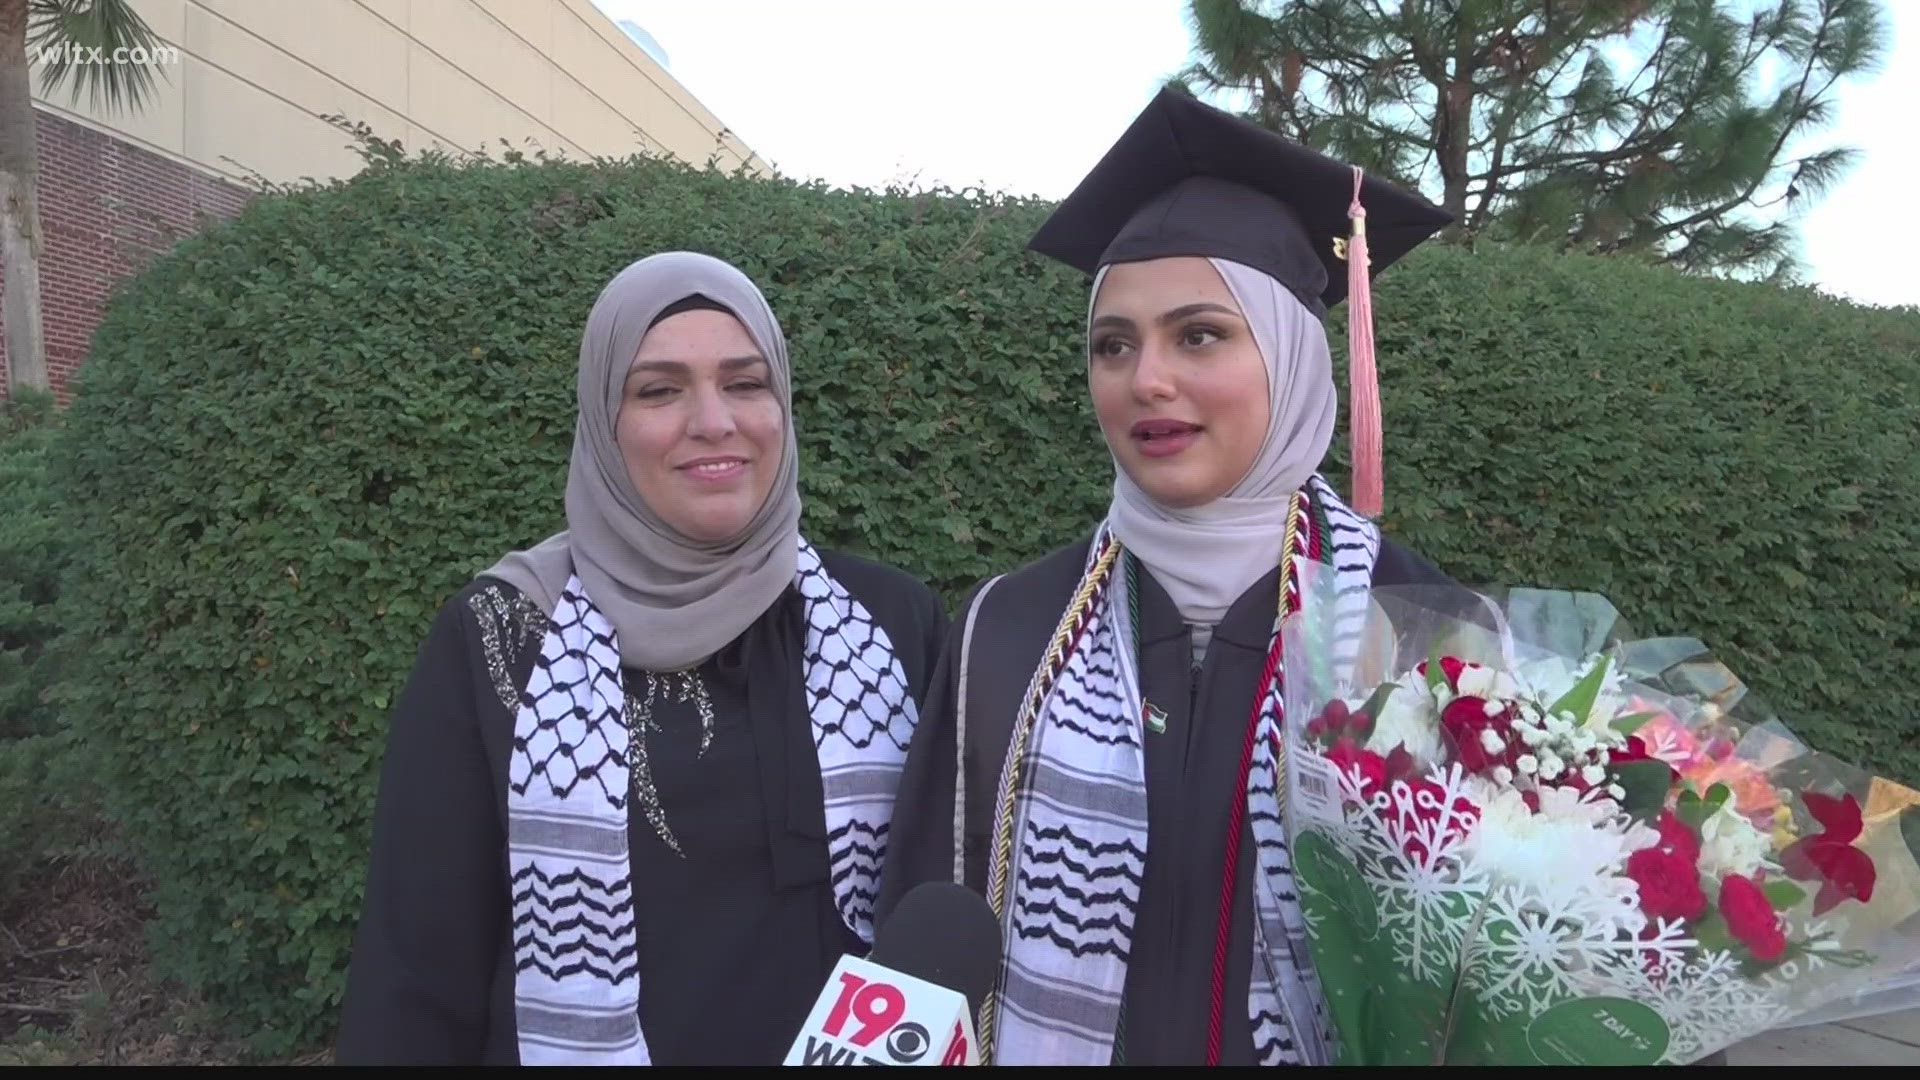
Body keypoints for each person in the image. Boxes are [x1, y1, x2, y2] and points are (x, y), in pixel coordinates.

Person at [874, 88, 1473, 1066]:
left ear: (1290, 357)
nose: (1145, 379)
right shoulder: (1008, 629)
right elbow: (923, 960)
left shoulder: (1428, 637)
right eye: (1112, 344)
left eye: (1199, 334)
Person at [335, 251, 948, 1066]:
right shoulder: (501, 638)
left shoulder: (890, 621)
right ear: (603, 419)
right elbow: (418, 971)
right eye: (660, 389)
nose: (714, 421)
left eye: (745, 382)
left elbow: (942, 915)